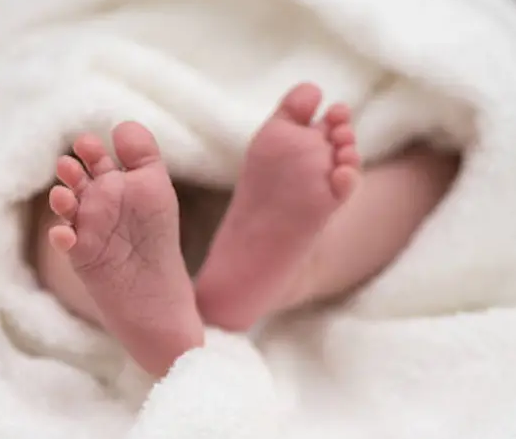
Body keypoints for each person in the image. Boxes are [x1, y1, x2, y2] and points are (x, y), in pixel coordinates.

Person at [33, 83, 460, 376]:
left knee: (70, 204)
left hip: (138, 68)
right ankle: (300, 269)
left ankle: (130, 311)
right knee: (429, 169)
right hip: (277, 74)